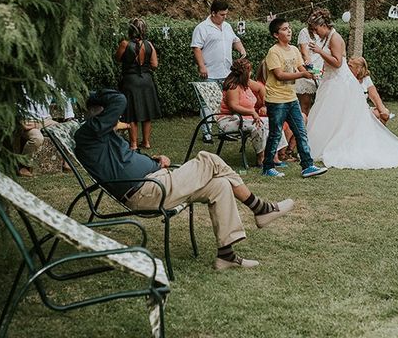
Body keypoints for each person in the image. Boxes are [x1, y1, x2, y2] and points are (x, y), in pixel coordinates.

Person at [74, 89, 295, 270]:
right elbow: (119, 98)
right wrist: (92, 96)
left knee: (220, 185)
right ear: (101, 117)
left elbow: (122, 163)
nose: (119, 120)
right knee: (210, 160)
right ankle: (261, 208)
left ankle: (226, 255)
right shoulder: (88, 135)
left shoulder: (102, 137)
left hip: (157, 181)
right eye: (113, 117)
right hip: (148, 192)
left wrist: (154, 161)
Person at [305, 9, 398, 169]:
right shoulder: (327, 37)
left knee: (338, 116)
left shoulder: (335, 38)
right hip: (331, 81)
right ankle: (320, 145)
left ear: (324, 25)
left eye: (316, 29)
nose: (315, 33)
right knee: (329, 115)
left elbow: (338, 62)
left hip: (339, 84)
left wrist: (319, 52)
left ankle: (335, 146)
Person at [261, 17, 328, 179]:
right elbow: (279, 75)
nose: (289, 31)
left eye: (289, 28)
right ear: (276, 35)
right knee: (276, 134)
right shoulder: (273, 52)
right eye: (284, 29)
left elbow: (302, 67)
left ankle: (307, 166)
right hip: (276, 99)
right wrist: (303, 74)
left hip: (291, 98)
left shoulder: (294, 50)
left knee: (301, 132)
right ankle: (268, 166)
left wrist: (314, 72)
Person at [191, 0, 247, 143]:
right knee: (207, 104)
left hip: (226, 72)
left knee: (227, 103)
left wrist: (241, 50)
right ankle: (207, 133)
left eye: (226, 14)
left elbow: (235, 40)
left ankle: (225, 130)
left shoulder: (227, 26)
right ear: (213, 13)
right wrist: (202, 66)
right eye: (222, 14)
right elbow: (196, 48)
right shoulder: (202, 28)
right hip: (210, 71)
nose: (224, 17)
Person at [218, 58, 287, 166]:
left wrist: (265, 104)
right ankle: (261, 156)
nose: (251, 73)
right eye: (249, 71)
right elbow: (233, 106)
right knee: (258, 125)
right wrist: (252, 112)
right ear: (244, 73)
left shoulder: (246, 83)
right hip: (230, 119)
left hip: (244, 118)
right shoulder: (233, 87)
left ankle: (274, 155)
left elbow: (260, 88)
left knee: (274, 122)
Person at [115, 18, 162, 150]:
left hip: (130, 81)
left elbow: (117, 58)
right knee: (147, 112)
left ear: (130, 30)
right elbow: (155, 65)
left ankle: (134, 143)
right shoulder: (149, 45)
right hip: (146, 81)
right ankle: (146, 142)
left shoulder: (125, 44)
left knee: (131, 112)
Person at [16, 75, 74, 177]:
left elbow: (63, 94)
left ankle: (66, 160)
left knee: (68, 129)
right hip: (28, 120)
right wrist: (20, 121)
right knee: (37, 138)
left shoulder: (49, 78)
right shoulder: (23, 77)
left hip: (45, 120)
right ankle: (23, 166)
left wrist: (69, 115)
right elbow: (13, 101)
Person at [296, 22, 328, 116]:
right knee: (305, 104)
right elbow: (304, 53)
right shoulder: (304, 32)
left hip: (322, 71)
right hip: (307, 71)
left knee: (320, 105)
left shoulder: (325, 33)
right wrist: (311, 70)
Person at [348, 57, 391, 125]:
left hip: (364, 109)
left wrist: (383, 112)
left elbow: (375, 97)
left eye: (350, 66)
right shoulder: (347, 78)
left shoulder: (366, 79)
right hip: (350, 110)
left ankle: (375, 134)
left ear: (358, 69)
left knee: (383, 112)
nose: (347, 68)